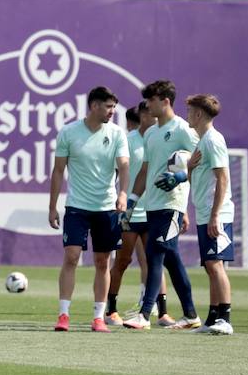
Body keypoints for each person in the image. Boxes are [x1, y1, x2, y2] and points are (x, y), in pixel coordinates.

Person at [47, 86, 129, 332]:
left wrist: (123, 193)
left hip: (107, 208)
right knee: (71, 257)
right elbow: (58, 171)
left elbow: (124, 166)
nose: (112, 112)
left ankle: (98, 317)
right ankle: (63, 315)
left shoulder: (117, 134)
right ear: (94, 106)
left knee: (103, 262)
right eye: (108, 107)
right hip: (77, 207)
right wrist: (52, 207)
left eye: (114, 107)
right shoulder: (69, 132)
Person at [123, 80, 201, 331]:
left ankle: (145, 314)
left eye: (151, 100)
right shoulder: (153, 133)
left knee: (154, 254)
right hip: (152, 206)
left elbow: (201, 158)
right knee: (172, 260)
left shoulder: (183, 130)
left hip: (171, 204)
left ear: (165, 101)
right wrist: (132, 202)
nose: (147, 105)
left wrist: (180, 175)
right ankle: (190, 315)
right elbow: (145, 170)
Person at [108, 102, 167, 325]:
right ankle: (110, 309)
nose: (153, 116)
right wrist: (118, 199)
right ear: (142, 115)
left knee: (155, 262)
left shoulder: (159, 139)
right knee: (123, 261)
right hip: (130, 212)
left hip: (154, 209)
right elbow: (116, 171)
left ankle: (161, 312)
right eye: (148, 112)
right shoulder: (127, 140)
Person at [185, 94, 236, 334]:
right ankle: (212, 319)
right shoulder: (203, 140)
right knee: (209, 264)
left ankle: (225, 319)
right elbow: (199, 176)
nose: (187, 115)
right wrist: (189, 167)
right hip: (206, 213)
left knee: (215, 265)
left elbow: (222, 178)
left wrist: (216, 215)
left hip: (217, 214)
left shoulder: (213, 140)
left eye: (189, 111)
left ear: (198, 114)